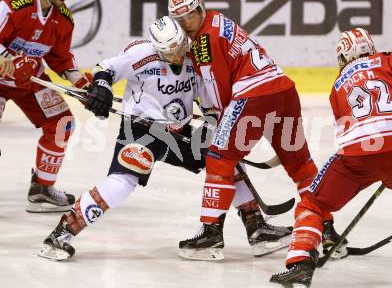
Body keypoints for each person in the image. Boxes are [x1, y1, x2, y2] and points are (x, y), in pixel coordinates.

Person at [38, 16, 293, 261]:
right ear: (157, 48)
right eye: (169, 52)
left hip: (178, 132)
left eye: (179, 47)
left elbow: (208, 99)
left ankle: (256, 228)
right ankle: (62, 233)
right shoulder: (142, 53)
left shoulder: (196, 55)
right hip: (141, 131)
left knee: (225, 159)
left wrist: (214, 124)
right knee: (121, 183)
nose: (177, 55)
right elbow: (106, 68)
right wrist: (101, 89)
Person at [167, 0, 346, 261]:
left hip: (253, 97)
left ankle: (211, 234)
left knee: (218, 157)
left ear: (200, 7)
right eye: (180, 20)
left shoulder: (204, 40)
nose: (186, 24)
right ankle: (328, 231)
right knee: (299, 164)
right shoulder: (217, 21)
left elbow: (218, 89)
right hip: (283, 91)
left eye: (189, 16)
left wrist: (217, 117)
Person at [270, 28, 392, 288]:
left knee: (313, 204)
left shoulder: (337, 85)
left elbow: (348, 129)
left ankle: (300, 265)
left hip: (359, 153)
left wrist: (380, 166)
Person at [0, 0, 92, 213]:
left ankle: (42, 188)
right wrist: (5, 57)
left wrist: (82, 82)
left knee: (62, 122)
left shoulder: (63, 19)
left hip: (29, 80)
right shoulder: (13, 4)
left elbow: (60, 58)